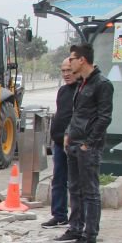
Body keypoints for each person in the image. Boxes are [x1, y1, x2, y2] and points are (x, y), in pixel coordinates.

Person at [57, 43, 113, 243]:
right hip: (74, 142)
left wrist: (89, 143)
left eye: (72, 59)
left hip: (88, 147)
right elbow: (77, 113)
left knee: (90, 192)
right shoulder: (82, 84)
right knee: (75, 188)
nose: (69, 62)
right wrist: (67, 134)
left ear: (82, 60)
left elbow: (104, 118)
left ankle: (89, 236)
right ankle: (75, 228)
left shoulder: (102, 84)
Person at [41, 58, 78, 227]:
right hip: (58, 143)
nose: (66, 74)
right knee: (58, 179)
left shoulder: (82, 91)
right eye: (63, 71)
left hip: (74, 143)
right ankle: (59, 214)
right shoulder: (63, 91)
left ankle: (77, 220)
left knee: (76, 183)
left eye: (69, 70)